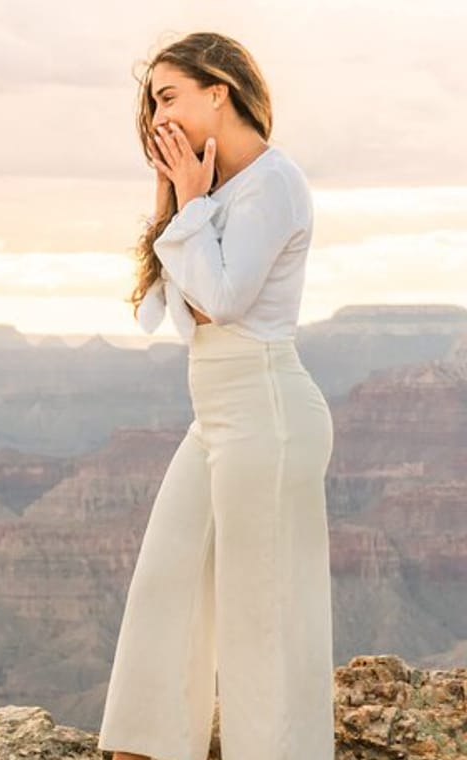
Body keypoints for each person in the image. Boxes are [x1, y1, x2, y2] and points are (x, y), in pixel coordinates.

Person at [98, 32, 335, 760]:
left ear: (218, 90)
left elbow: (223, 299)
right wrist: (180, 200)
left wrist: (191, 207)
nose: (155, 116)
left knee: (261, 623)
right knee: (165, 588)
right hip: (217, 416)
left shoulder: (276, 180)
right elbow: (165, 311)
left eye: (167, 96)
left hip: (265, 410)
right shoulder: (217, 192)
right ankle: (148, 747)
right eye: (149, 105)